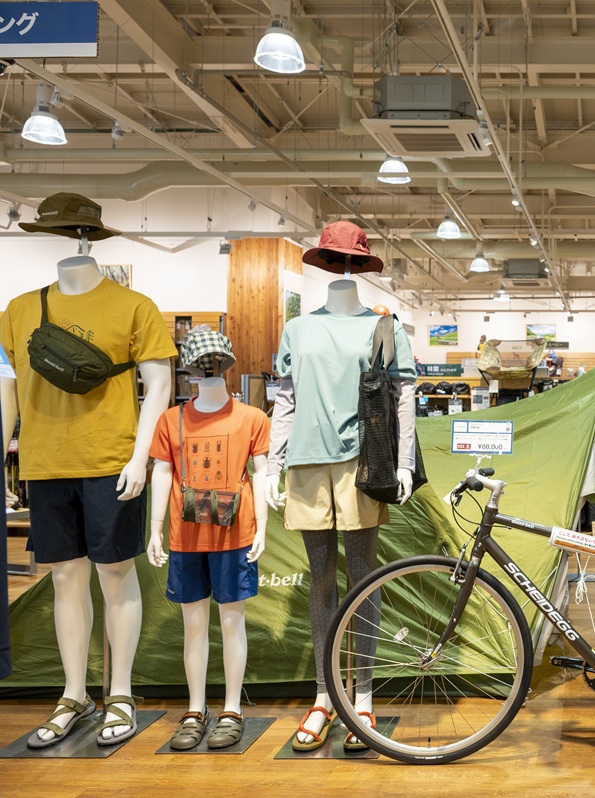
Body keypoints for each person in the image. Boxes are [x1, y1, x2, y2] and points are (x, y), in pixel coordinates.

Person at [1, 193, 176, 748]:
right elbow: (8, 388)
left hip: (111, 461)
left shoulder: (134, 306)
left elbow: (160, 384)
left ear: (86, 240)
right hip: (46, 462)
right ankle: (74, 693)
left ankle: (119, 692)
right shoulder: (18, 310)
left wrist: (141, 457)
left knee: (115, 574)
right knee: (64, 578)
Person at [265, 221, 418, 753]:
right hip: (306, 462)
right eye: (340, 258)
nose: (344, 268)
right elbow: (285, 400)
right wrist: (272, 464)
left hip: (361, 463)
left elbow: (403, 399)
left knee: (363, 579)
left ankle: (364, 696)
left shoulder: (385, 328)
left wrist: (404, 463)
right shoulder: (298, 329)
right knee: (321, 581)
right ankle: (325, 695)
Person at [147, 330, 269, 751]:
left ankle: (232, 708)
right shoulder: (171, 420)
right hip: (185, 535)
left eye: (213, 361)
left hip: (236, 533)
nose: (208, 368)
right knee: (193, 625)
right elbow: (162, 471)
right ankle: (195, 708)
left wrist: (263, 527)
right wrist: (155, 528)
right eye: (202, 362)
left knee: (232, 621)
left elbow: (261, 471)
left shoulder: (252, 418)